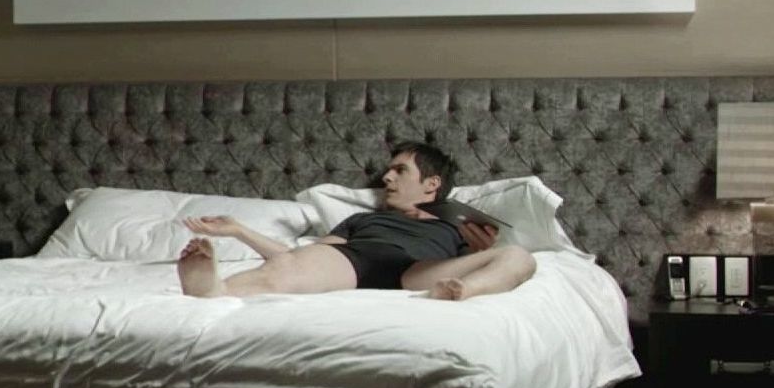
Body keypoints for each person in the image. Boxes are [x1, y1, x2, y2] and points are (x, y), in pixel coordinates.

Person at [176, 141, 535, 301]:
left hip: (422, 271)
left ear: (431, 184)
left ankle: (461, 293)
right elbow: (295, 258)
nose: (387, 178)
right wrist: (239, 230)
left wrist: (480, 250)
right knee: (290, 266)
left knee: (519, 257)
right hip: (358, 259)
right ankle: (216, 291)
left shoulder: (459, 224)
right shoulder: (362, 218)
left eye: (400, 171)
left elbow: (487, 259)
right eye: (388, 172)